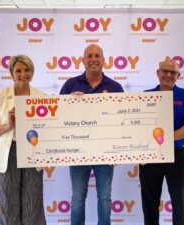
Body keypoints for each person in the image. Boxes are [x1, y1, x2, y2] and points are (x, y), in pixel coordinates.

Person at [60, 44, 124, 225]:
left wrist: (118, 150)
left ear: (104, 60)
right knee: (78, 198)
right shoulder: (70, 85)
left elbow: (122, 121)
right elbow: (58, 117)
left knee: (105, 198)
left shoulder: (115, 87)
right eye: (89, 56)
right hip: (78, 151)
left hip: (106, 152)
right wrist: (70, 103)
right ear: (83, 60)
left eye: (97, 56)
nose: (93, 59)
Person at [0, 55, 46, 225]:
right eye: (18, 70)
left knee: (32, 203)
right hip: (8, 152)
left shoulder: (41, 96)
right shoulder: (0, 95)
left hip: (32, 152)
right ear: (12, 73)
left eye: (27, 70)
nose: (23, 74)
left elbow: (48, 128)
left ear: (32, 73)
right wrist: (7, 126)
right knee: (8, 202)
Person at [139, 59, 184, 225]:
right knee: (149, 203)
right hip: (151, 156)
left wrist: (167, 137)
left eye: (173, 72)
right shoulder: (145, 96)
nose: (168, 75)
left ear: (178, 76)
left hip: (179, 155)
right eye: (164, 71)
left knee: (181, 204)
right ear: (157, 73)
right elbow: (136, 127)